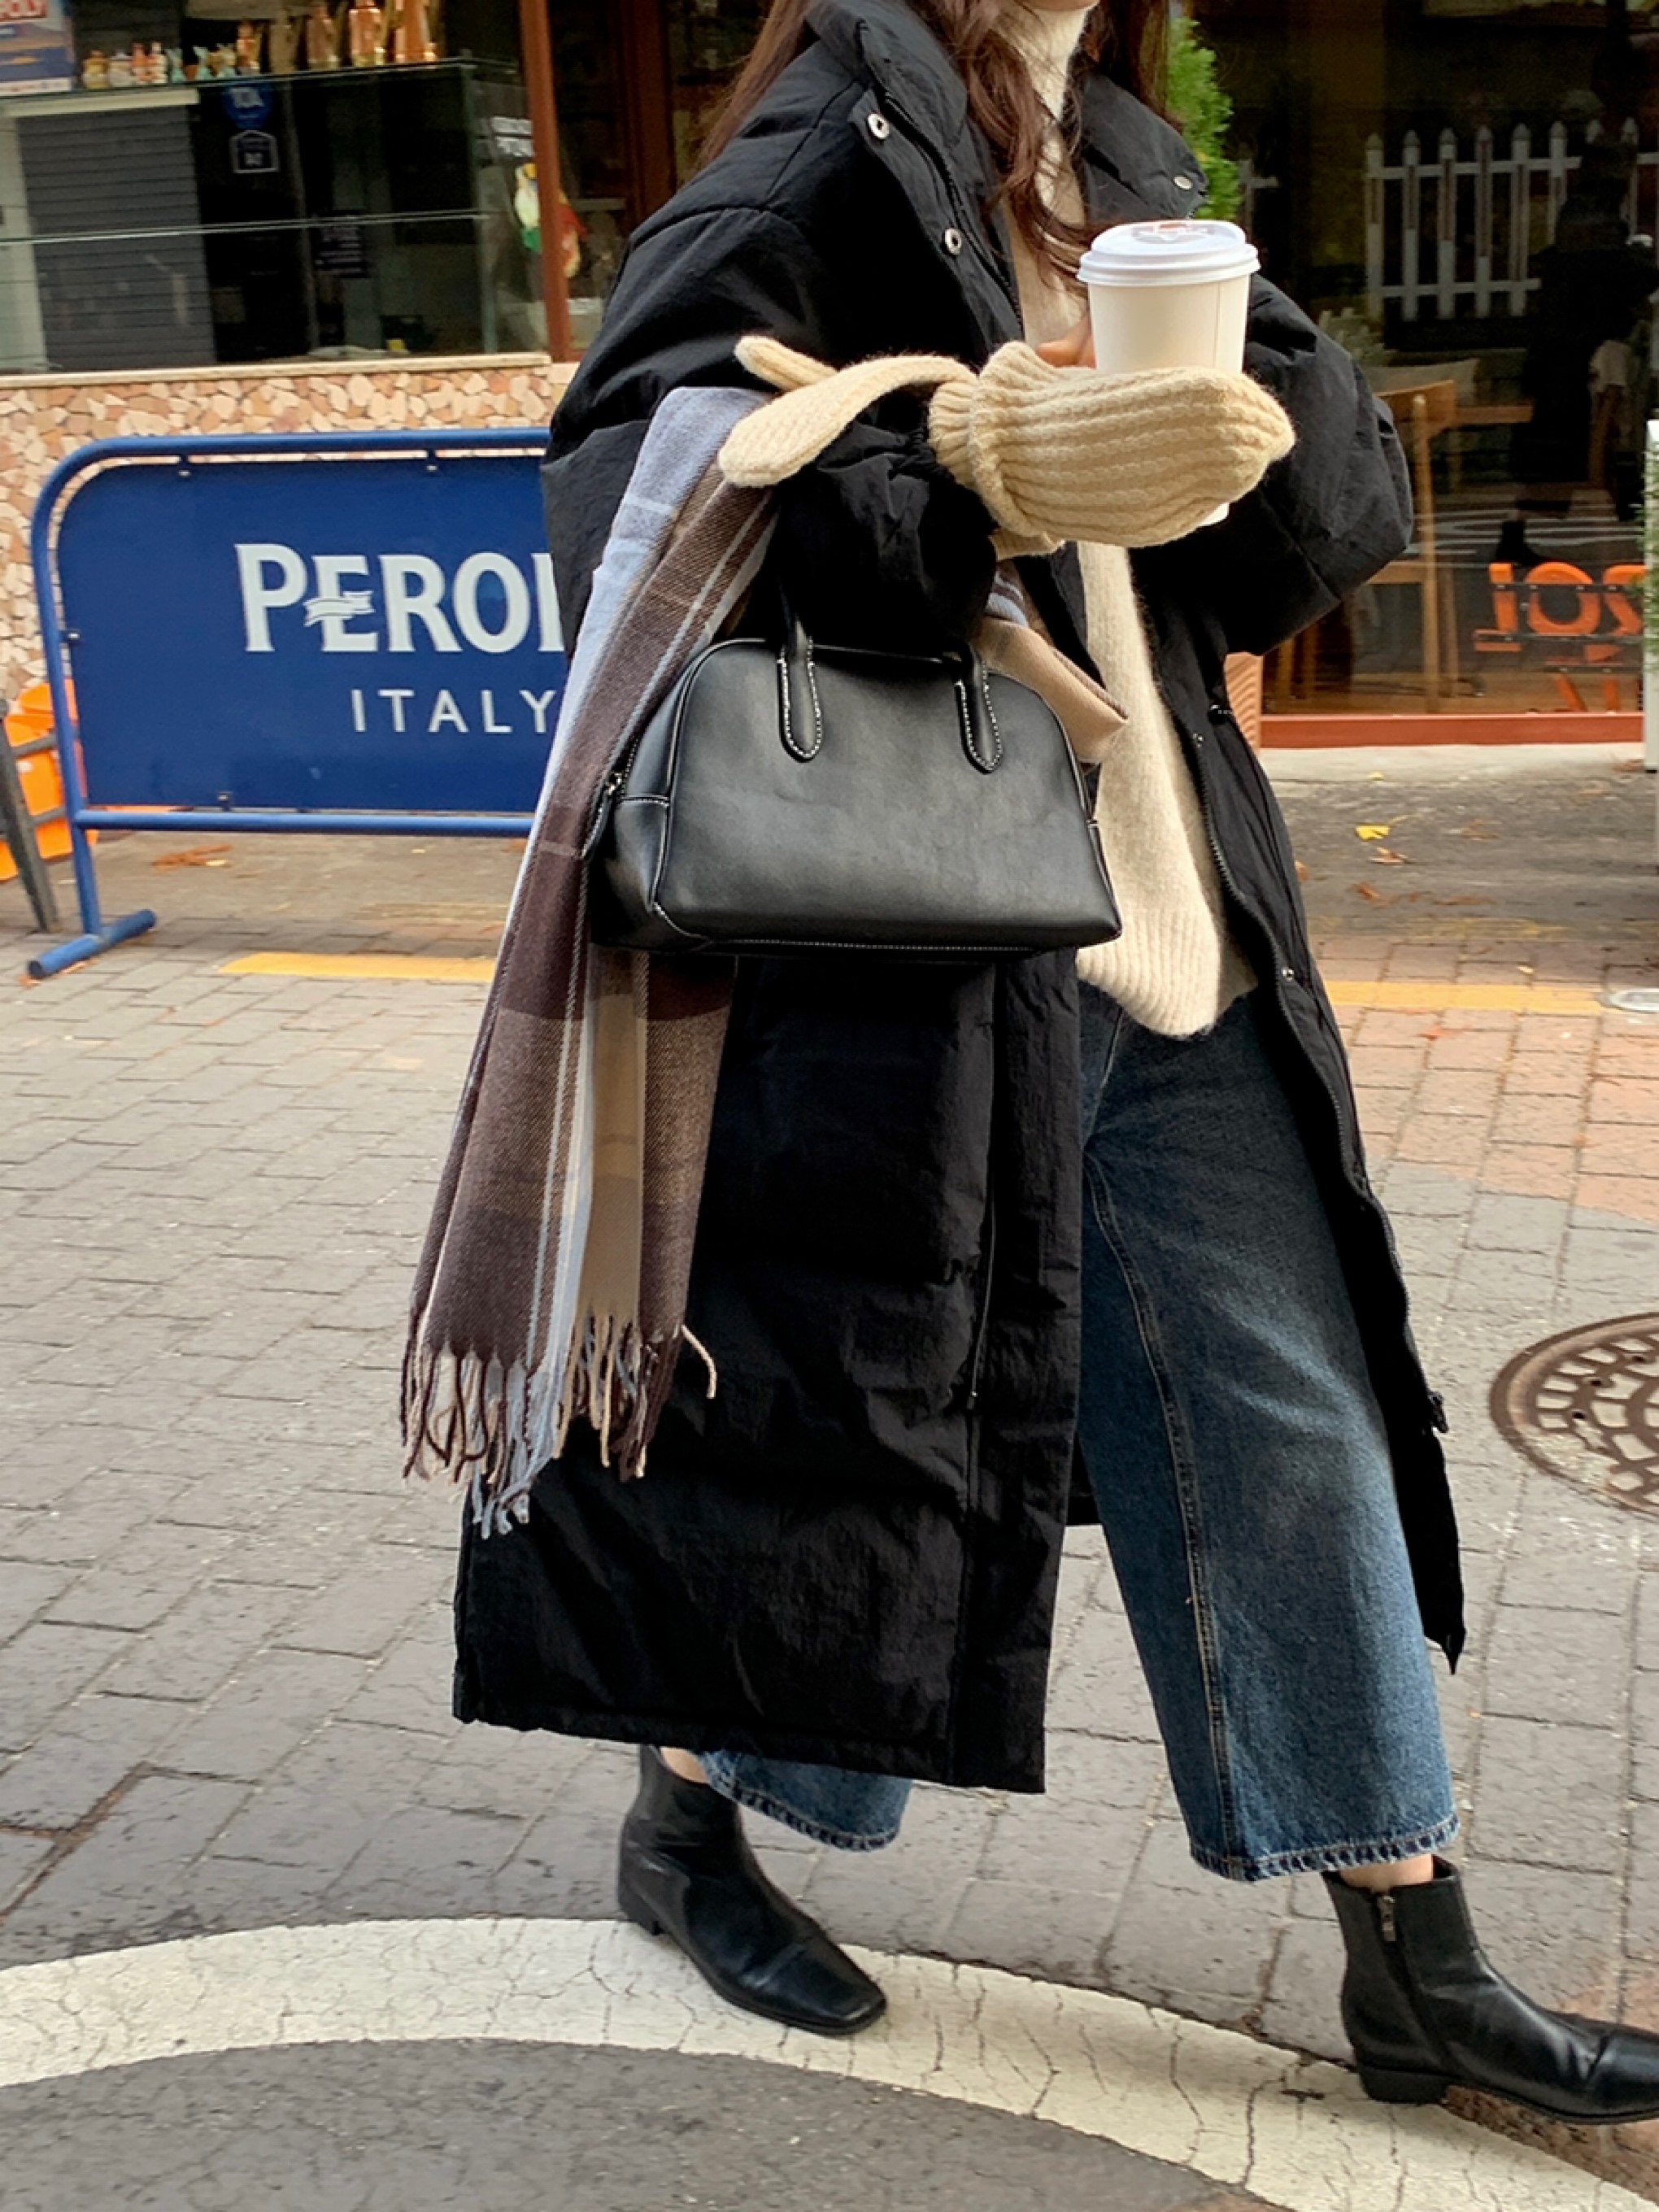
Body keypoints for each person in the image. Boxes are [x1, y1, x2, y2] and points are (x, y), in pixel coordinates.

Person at [447, 0, 1659, 2123]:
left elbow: (1289, 552)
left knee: (1289, 1421)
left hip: (1171, 929)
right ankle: (686, 1825)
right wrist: (971, 477)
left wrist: (1270, 403)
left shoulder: (1119, 156)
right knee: (852, 1425)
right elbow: (618, 492)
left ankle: (1418, 1957)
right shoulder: (821, 147)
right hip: (912, 940)